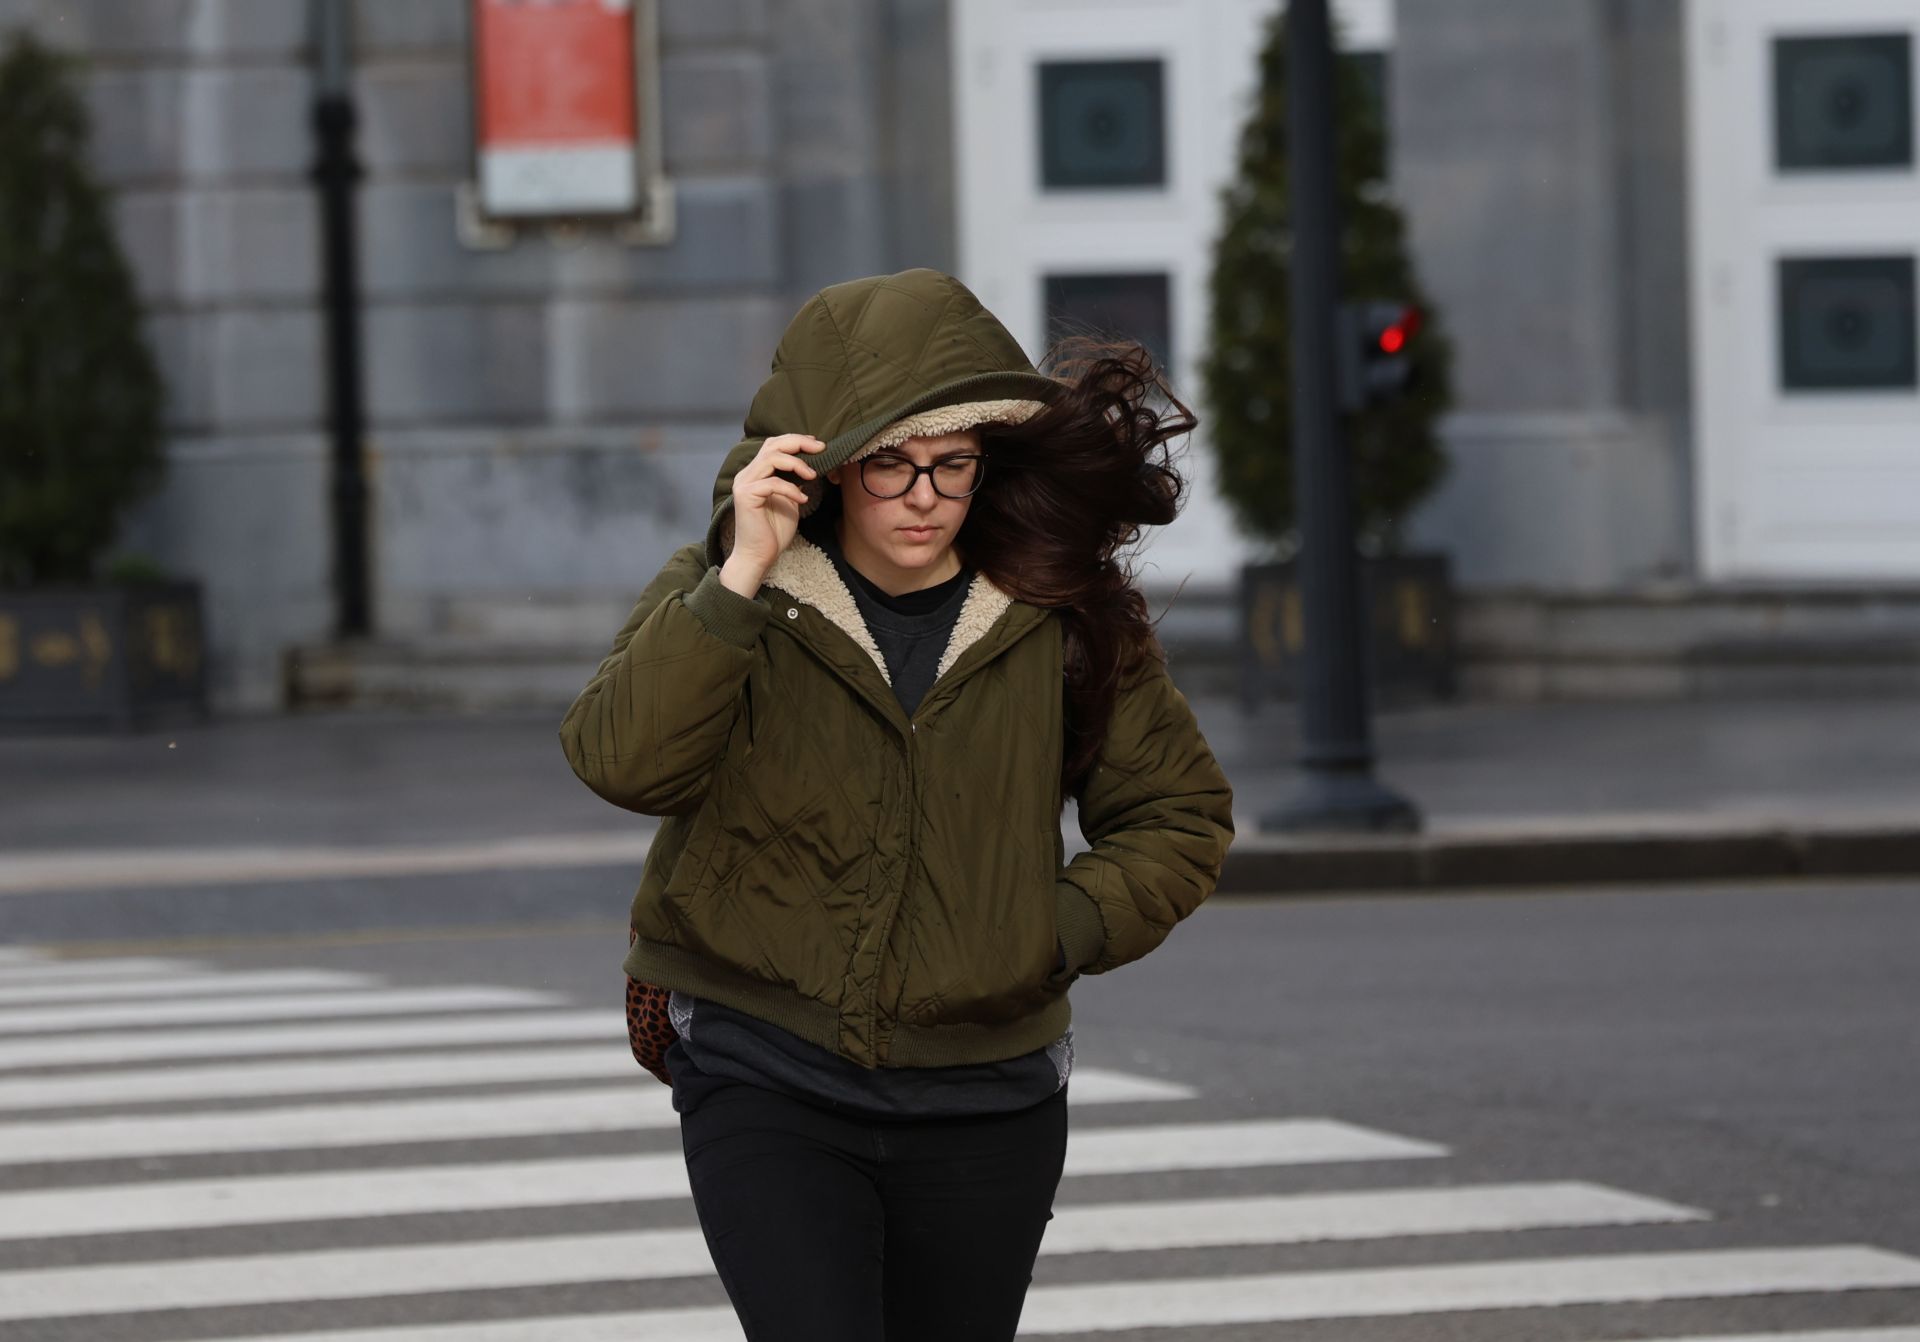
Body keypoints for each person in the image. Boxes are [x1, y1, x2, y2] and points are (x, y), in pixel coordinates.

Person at [558, 268, 1233, 1342]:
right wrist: (739, 577)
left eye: (953, 463)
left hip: (989, 1095)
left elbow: (1178, 813)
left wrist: (1051, 929)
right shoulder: (728, 588)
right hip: (766, 1068)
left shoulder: (1060, 613)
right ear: (823, 461)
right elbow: (621, 761)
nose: (924, 494)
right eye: (891, 463)